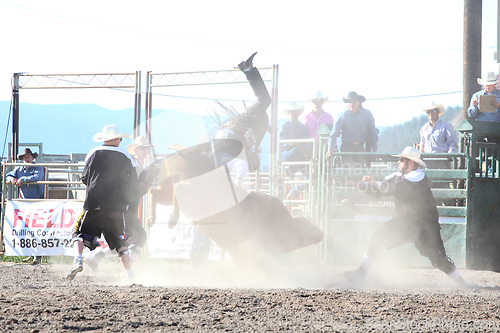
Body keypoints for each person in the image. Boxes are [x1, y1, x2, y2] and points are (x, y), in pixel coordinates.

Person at [344, 146, 467, 286]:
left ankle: (461, 283)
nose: (398, 162)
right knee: (378, 236)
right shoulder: (399, 177)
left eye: (401, 160)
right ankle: (361, 273)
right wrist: (361, 186)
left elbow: (394, 189)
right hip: (405, 221)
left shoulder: (418, 178)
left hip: (424, 226)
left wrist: (374, 183)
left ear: (411, 163)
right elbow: (380, 191)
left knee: (437, 258)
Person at [65, 124, 140, 280]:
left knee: (78, 232)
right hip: (116, 206)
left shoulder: (93, 153)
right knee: (119, 239)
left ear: (104, 139)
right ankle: (129, 273)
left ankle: (78, 260)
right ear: (118, 139)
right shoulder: (126, 156)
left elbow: (85, 177)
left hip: (94, 203)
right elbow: (133, 181)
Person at [83, 136, 153, 271]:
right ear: (136, 150)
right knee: (133, 238)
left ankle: (97, 257)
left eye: (147, 149)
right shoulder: (131, 163)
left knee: (125, 239)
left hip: (128, 206)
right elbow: (130, 186)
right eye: (143, 148)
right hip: (124, 206)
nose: (146, 151)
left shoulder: (139, 166)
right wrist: (146, 183)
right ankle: (124, 268)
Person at [5, 148, 45, 265]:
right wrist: (12, 178)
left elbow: (37, 177)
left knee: (37, 229)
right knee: (27, 229)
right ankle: (31, 254)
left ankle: (37, 255)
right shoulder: (19, 169)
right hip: (24, 203)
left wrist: (22, 179)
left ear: (32, 158)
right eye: (25, 157)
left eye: (28, 157)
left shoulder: (37, 167)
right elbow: (8, 175)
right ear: (22, 159)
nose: (27, 159)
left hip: (37, 201)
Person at [326, 91, 378, 168]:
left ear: (359, 102)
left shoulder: (367, 114)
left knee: (359, 170)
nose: (351, 104)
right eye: (349, 102)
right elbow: (334, 133)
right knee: (347, 169)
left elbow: (373, 132)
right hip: (346, 147)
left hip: (360, 146)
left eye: (354, 101)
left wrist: (374, 148)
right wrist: (330, 150)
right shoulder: (342, 116)